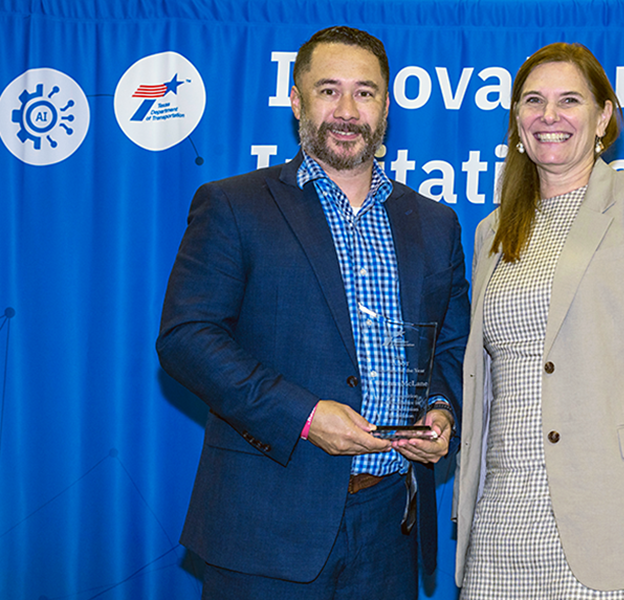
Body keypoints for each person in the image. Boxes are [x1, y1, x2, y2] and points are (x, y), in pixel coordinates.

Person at [157, 25, 469, 599]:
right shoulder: (234, 204)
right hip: (265, 525)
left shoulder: (434, 222)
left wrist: (442, 411)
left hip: (389, 528)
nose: (347, 110)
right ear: (297, 101)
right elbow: (186, 337)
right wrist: (303, 415)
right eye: (328, 90)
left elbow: (449, 347)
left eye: (365, 92)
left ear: (386, 107)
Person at [453, 42, 624, 599]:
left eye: (569, 100)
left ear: (603, 117)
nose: (549, 116)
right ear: (518, 123)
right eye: (533, 101)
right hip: (503, 514)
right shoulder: (491, 232)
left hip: (620, 514)